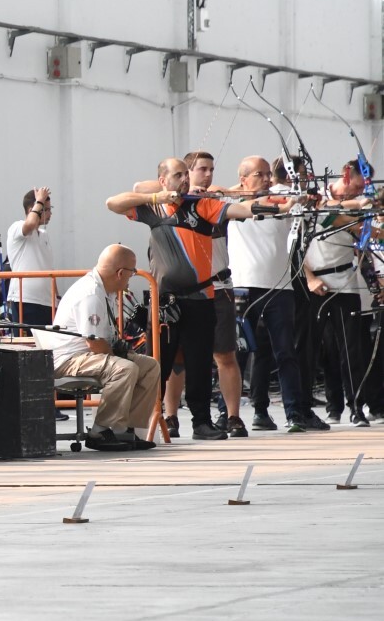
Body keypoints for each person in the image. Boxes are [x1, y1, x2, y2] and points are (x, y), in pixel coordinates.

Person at [106, 158, 262, 442]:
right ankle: (145, 421)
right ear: (163, 180)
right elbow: (112, 203)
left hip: (201, 298)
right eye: (178, 175)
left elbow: (240, 210)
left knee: (200, 361)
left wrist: (270, 207)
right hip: (165, 303)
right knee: (160, 363)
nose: (185, 180)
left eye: (186, 175)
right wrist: (156, 196)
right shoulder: (153, 207)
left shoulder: (201, 205)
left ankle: (202, 422)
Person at [154, 152, 248, 436]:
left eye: (211, 170)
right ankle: (163, 417)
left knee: (210, 357)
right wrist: (164, 194)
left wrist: (278, 205)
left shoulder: (207, 203)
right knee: (169, 361)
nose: (206, 175)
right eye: (199, 170)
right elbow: (128, 195)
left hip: (211, 291)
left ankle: (208, 420)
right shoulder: (158, 205)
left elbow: (242, 207)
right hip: (170, 299)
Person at [33, 245, 160, 450]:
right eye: (132, 272)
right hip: (70, 359)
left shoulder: (106, 289)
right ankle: (101, 431)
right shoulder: (91, 294)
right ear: (120, 273)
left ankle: (127, 430)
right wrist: (120, 357)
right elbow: (94, 344)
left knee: (150, 367)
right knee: (125, 369)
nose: (132, 277)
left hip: (89, 355)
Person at [229, 156, 321, 432]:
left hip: (280, 289)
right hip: (244, 286)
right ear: (243, 179)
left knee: (285, 353)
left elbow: (303, 200)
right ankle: (236, 414)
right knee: (240, 352)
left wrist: (301, 200)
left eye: (269, 174)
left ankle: (295, 414)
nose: (267, 179)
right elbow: (240, 200)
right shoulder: (230, 203)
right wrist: (239, 190)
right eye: (260, 174)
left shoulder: (281, 199)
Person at [302, 161, 375, 428]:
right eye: (357, 185)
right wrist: (309, 278)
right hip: (313, 284)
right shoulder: (315, 198)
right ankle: (311, 408)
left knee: (350, 349)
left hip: (345, 282)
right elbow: (295, 245)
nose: (359, 192)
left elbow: (361, 229)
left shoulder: (354, 207)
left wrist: (369, 213)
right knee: (315, 349)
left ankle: (357, 407)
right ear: (346, 174)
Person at [4, 187, 55, 331]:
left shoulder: (44, 235)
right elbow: (30, 224)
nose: (50, 213)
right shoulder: (16, 227)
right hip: (25, 300)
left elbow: (50, 270)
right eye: (45, 209)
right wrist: (39, 200)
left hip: (47, 302)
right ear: (32, 208)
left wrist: (55, 298)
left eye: (50, 209)